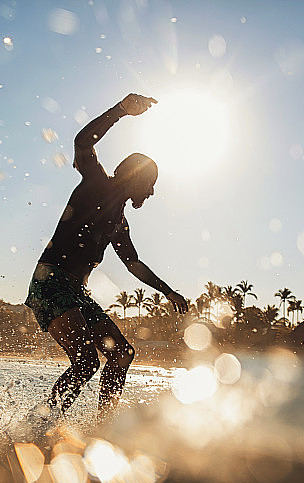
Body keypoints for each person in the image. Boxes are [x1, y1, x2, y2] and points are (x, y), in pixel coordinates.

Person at [25, 93, 188, 424]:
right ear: (136, 178)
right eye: (150, 183)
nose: (152, 192)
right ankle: (40, 423)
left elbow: (133, 263)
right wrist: (121, 111)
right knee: (85, 362)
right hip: (51, 282)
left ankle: (103, 429)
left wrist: (168, 291)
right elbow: (83, 144)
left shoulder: (119, 222)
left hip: (77, 292)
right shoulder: (96, 184)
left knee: (121, 354)